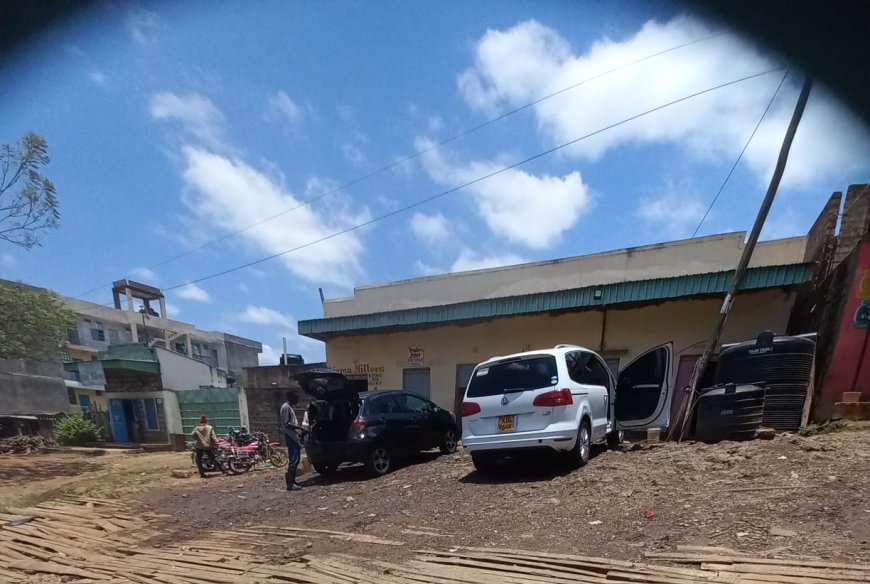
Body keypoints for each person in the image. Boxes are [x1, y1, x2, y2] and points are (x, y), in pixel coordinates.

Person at [280, 390, 306, 491]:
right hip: (291, 436)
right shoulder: (286, 407)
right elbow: (287, 423)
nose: (297, 400)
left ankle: (293, 482)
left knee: (295, 459)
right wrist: (300, 428)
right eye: (296, 398)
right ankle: (290, 484)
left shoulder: (289, 407)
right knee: (294, 460)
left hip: (293, 436)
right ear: (291, 397)